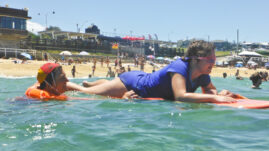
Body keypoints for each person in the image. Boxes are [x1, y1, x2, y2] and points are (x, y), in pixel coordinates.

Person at [78, 40, 236, 103]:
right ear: (195, 59)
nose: (213, 64)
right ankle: (74, 85)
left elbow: (209, 89)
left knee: (106, 87)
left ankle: (100, 83)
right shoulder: (180, 68)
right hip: (133, 84)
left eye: (214, 60)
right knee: (87, 92)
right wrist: (215, 100)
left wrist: (218, 94)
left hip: (143, 78)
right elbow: (180, 96)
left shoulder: (203, 74)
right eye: (210, 60)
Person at [25, 63, 133, 100]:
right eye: (62, 78)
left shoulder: (49, 85)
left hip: (68, 88)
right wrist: (122, 99)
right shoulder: (44, 94)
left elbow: (95, 97)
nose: (67, 80)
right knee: (87, 91)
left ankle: (89, 84)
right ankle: (90, 84)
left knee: (87, 91)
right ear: (49, 84)